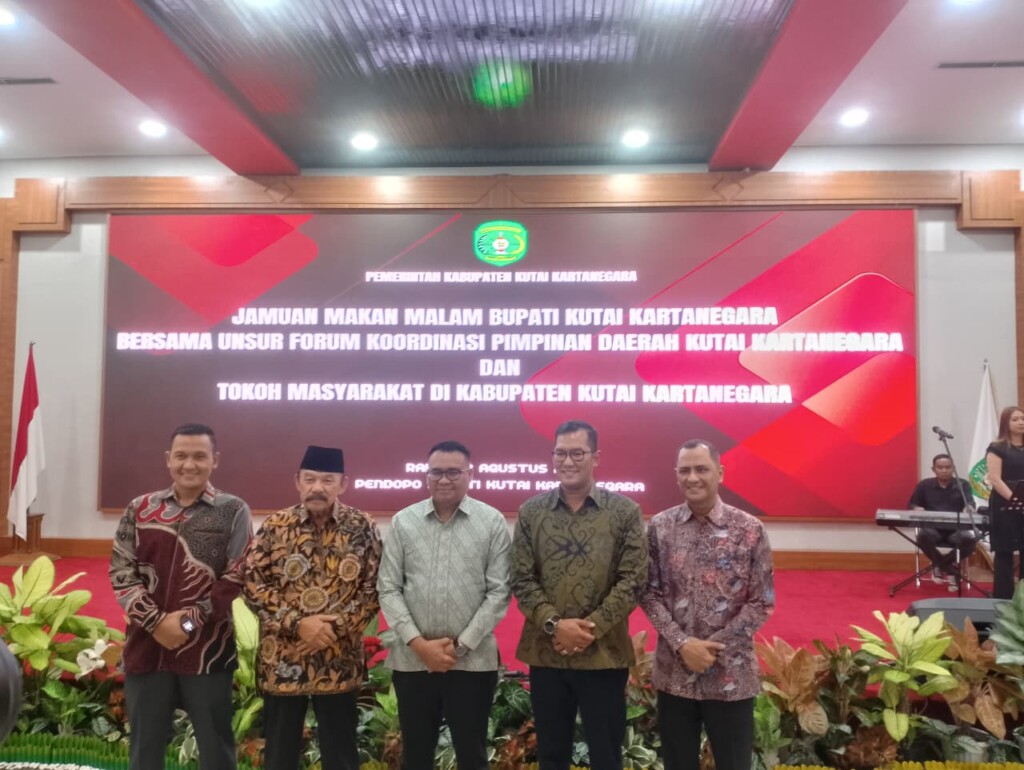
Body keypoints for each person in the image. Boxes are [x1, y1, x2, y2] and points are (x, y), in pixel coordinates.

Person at [110, 423, 252, 770]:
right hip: (147, 649)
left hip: (207, 652)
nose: (190, 464)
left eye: (199, 456)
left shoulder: (233, 510)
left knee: (216, 750)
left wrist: (186, 623)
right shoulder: (140, 509)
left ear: (215, 460)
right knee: (145, 752)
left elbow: (236, 576)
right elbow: (121, 572)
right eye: (181, 456)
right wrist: (156, 623)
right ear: (168, 459)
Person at [510, 420, 647, 770]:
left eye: (577, 453)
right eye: (560, 453)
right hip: (547, 653)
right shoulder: (531, 512)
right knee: (551, 756)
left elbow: (632, 581)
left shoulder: (624, 512)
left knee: (607, 755)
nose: (567, 461)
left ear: (595, 457)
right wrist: (556, 625)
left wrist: (588, 629)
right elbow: (522, 579)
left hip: (604, 655)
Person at [243, 446, 382, 770]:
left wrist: (333, 629)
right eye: (310, 479)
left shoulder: (362, 526)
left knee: (341, 755)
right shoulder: (276, 525)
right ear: (297, 481)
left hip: (338, 661)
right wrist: (298, 624)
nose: (317, 487)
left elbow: (374, 588)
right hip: (284, 661)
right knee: (279, 756)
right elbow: (253, 584)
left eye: (327, 480)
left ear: (343, 484)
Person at [640, 439, 774, 770]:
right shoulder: (660, 527)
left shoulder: (749, 529)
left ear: (720, 473)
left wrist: (712, 648)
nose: (693, 478)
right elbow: (648, 593)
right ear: (676, 474)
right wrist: (683, 644)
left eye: (702, 469)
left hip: (731, 675)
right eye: (685, 470)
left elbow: (761, 602)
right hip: (675, 675)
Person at [377, 440, 511, 770]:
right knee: (416, 756)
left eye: (453, 472)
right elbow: (388, 588)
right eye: (436, 472)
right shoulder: (404, 521)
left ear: (469, 474)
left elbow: (499, 592)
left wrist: (458, 647)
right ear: (426, 475)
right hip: (413, 662)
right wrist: (420, 645)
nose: (444, 479)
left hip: (472, 664)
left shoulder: (492, 522)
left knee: (472, 755)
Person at [909, 453, 978, 584]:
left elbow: (970, 503)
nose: (944, 470)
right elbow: (912, 504)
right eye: (940, 467)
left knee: (970, 541)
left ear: (953, 468)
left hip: (956, 529)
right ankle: (951, 569)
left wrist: (969, 507)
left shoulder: (963, 484)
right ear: (933, 469)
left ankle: (940, 565)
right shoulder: (924, 485)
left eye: (948, 467)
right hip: (932, 529)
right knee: (922, 537)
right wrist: (916, 508)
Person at [987, 406, 1024, 598]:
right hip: (1004, 505)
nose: (1021, 422)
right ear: (1005, 423)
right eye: (1015, 419)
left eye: (1023, 419)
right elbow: (995, 479)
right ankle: (1003, 599)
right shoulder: (997, 448)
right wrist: (1017, 500)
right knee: (1004, 552)